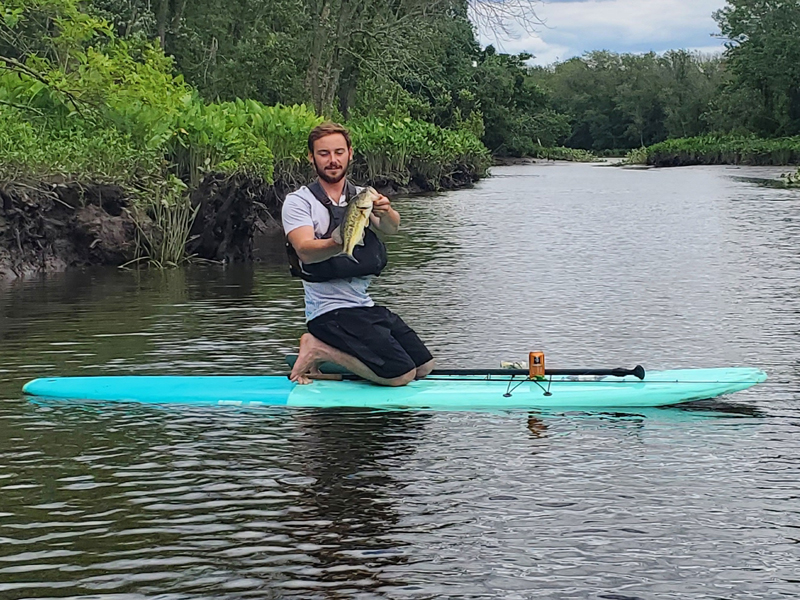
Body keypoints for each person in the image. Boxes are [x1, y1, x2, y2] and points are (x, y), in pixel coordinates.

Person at [282, 121, 435, 386]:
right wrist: (340, 242)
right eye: (324, 153)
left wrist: (386, 211)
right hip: (327, 313)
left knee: (423, 367)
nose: (333, 160)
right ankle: (317, 348)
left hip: (363, 305)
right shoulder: (299, 201)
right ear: (311, 157)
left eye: (339, 152)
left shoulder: (362, 196)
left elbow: (392, 228)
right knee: (401, 375)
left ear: (350, 153)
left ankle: (333, 363)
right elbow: (305, 251)